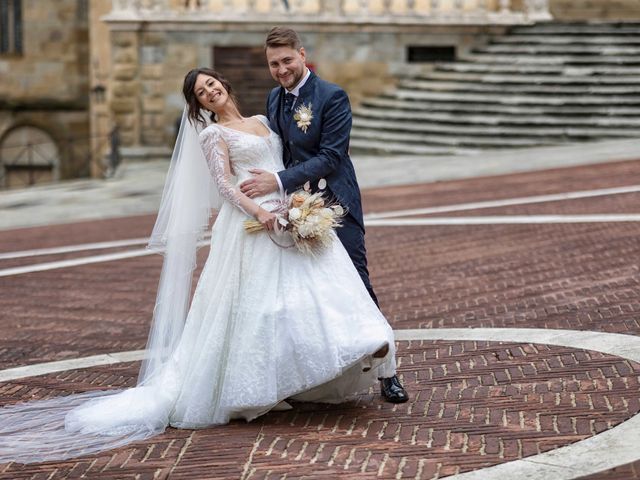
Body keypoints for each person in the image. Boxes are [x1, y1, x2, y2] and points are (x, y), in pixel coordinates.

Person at [0, 68, 397, 464]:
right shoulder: (213, 135)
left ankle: (346, 357)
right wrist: (262, 212)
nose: (210, 92)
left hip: (289, 214)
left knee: (319, 291)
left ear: (225, 83)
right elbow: (225, 185)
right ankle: (255, 386)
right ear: (198, 104)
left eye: (212, 84)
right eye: (201, 92)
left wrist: (291, 203)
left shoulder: (263, 119)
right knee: (258, 308)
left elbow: (285, 162)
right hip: (251, 225)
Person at [239, 26, 408, 403]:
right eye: (273, 64)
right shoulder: (273, 99)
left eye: (286, 60)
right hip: (297, 208)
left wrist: (277, 181)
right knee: (312, 293)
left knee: (358, 284)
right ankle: (317, 375)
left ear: (302, 54)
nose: (281, 70)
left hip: (335, 204)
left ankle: (389, 373)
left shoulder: (332, 96)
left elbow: (332, 156)